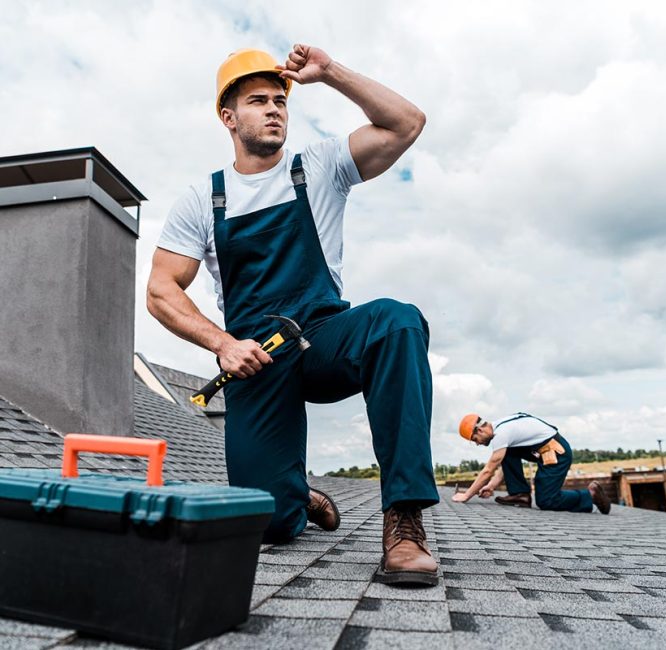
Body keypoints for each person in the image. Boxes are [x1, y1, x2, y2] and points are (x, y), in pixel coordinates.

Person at [147, 45, 439, 585]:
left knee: (398, 321)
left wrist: (328, 73)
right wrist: (222, 344)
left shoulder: (322, 167)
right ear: (228, 117)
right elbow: (162, 290)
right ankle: (295, 494)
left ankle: (404, 519)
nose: (275, 108)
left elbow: (406, 124)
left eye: (280, 100)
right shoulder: (203, 200)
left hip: (325, 340)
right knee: (270, 525)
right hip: (254, 359)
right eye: (258, 101)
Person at [452, 412, 611, 514]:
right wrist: (492, 486)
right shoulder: (501, 429)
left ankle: (590, 495)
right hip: (546, 454)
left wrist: (467, 495)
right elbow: (505, 462)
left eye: (475, 440)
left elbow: (488, 470)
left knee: (546, 501)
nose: (478, 443)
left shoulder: (502, 433)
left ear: (479, 431)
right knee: (508, 452)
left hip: (558, 455)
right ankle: (520, 495)